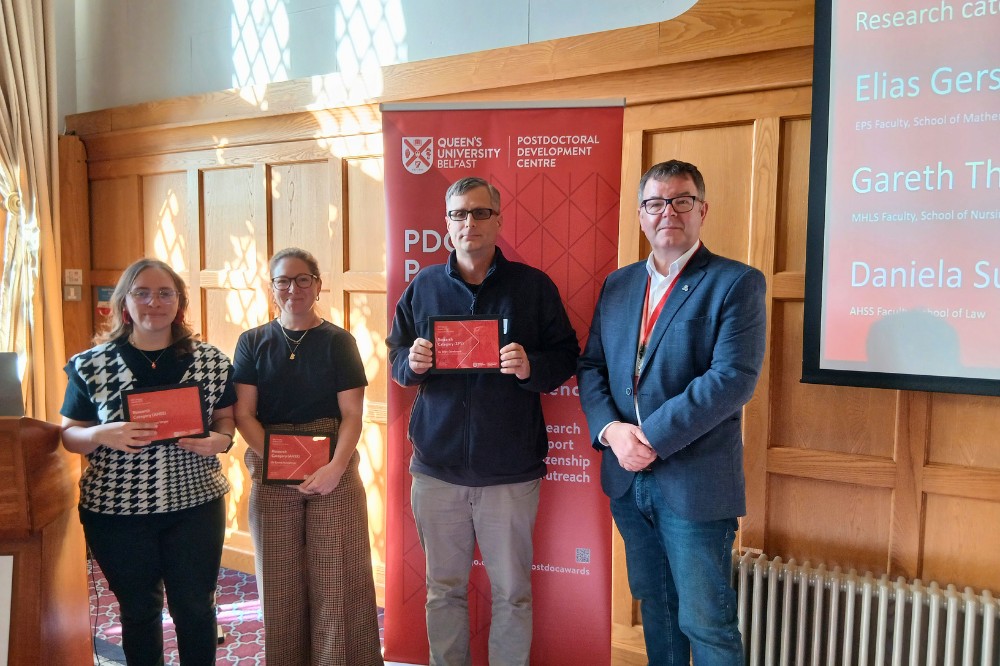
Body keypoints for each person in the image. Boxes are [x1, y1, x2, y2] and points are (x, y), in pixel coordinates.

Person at [577, 159, 767, 665]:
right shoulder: (618, 286)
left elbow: (732, 381)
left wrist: (649, 438)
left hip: (694, 482)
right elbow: (592, 365)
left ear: (702, 210)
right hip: (625, 477)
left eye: (682, 201)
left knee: (707, 624)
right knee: (656, 612)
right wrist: (613, 432)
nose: (669, 212)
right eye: (656, 203)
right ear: (641, 215)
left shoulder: (735, 283)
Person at [386, 176, 579, 665]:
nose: (467, 223)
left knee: (513, 593)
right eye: (458, 214)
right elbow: (394, 358)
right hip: (437, 470)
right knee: (442, 590)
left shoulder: (532, 287)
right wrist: (413, 364)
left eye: (478, 213)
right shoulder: (424, 286)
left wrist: (532, 367)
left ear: (498, 219)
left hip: (509, 473)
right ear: (446, 224)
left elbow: (567, 355)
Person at [60, 258, 236, 666]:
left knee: (195, 609)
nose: (153, 302)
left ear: (179, 303)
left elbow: (226, 418)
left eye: (164, 293)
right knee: (139, 612)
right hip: (117, 512)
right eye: (142, 293)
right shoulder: (92, 365)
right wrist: (104, 434)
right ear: (124, 304)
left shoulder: (211, 361)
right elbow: (70, 434)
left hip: (195, 505)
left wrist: (221, 441)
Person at [233, 247, 382, 666]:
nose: (293, 288)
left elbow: (353, 414)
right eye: (283, 280)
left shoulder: (339, 341)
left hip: (333, 463)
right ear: (272, 288)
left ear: (317, 285)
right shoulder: (252, 341)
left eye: (302, 279)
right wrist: (281, 459)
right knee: (279, 581)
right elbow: (243, 414)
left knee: (338, 578)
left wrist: (334, 468)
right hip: (270, 462)